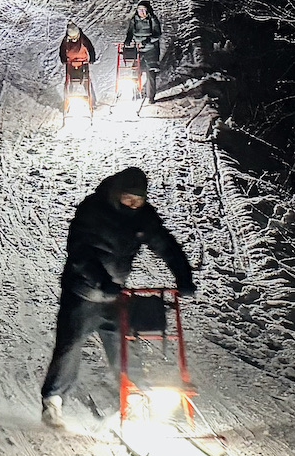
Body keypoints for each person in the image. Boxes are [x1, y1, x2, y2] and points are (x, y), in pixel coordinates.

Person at [41, 167, 197, 427]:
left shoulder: (143, 216)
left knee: (124, 344)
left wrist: (184, 277)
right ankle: (53, 401)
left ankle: (133, 397)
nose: (133, 205)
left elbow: (166, 245)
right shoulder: (93, 210)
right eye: (128, 199)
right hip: (82, 291)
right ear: (116, 194)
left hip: (115, 293)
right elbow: (79, 251)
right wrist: (100, 280)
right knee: (70, 345)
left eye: (138, 201)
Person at [122, 0, 164, 102]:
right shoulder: (134, 20)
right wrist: (128, 40)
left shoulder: (152, 20)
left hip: (151, 49)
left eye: (144, 10)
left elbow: (157, 34)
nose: (142, 12)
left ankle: (151, 96)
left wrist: (147, 41)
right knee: (136, 71)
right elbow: (130, 32)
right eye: (140, 10)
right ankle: (136, 93)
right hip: (138, 48)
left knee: (151, 73)